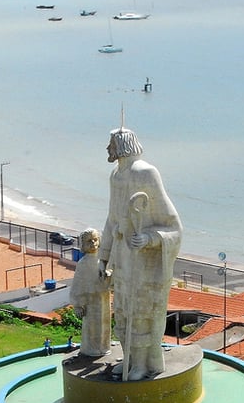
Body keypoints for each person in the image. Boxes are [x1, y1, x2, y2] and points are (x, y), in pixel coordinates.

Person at [98, 125, 182, 381]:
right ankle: (129, 359)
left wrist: (149, 238)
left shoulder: (146, 172)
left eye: (111, 143)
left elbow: (173, 227)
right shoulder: (116, 175)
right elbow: (112, 219)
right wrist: (104, 257)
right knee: (123, 311)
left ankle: (144, 365)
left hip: (143, 260)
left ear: (122, 145)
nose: (107, 148)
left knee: (141, 312)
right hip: (123, 257)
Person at [69, 228, 111, 357]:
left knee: (105, 325)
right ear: (83, 245)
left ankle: (104, 347)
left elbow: (112, 275)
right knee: (92, 327)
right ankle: (91, 349)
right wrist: (77, 305)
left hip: (103, 298)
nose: (93, 243)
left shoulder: (104, 260)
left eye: (95, 240)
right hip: (90, 301)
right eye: (89, 241)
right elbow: (77, 285)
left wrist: (108, 275)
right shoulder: (82, 263)